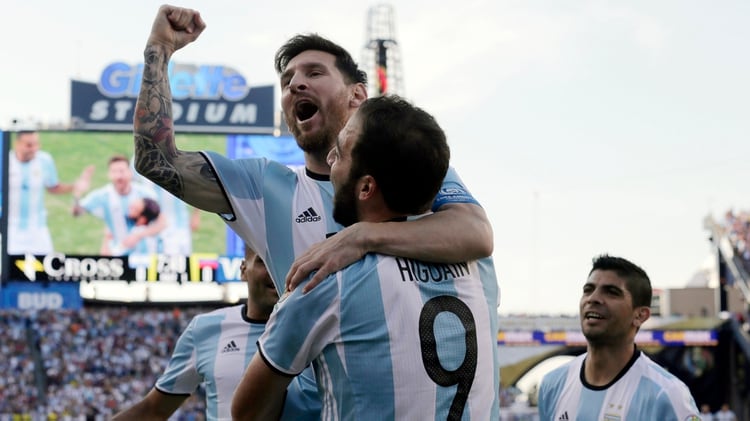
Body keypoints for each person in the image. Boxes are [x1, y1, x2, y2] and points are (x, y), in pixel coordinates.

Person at [133, 5, 493, 297]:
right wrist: (159, 50)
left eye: (315, 73)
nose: (296, 84)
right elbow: (157, 161)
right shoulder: (263, 187)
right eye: (287, 81)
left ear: (357, 94)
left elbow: (476, 233)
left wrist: (361, 237)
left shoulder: (405, 160)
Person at [230, 95, 500, 420]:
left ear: (366, 188)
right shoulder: (480, 266)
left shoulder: (324, 281)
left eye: (341, 152)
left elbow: (247, 412)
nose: (330, 157)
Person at [112, 244, 319, 420]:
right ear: (243, 270)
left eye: (286, 261)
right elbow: (154, 410)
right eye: (264, 261)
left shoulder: (321, 327)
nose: (276, 270)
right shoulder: (205, 329)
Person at [538, 254, 700, 420]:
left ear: (640, 315)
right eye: (588, 290)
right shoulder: (553, 384)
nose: (593, 298)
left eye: (611, 292)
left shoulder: (667, 395)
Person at [7, 130, 94, 255]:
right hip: (11, 229)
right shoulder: (5, 161)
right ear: (17, 144)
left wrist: (75, 186)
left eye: (36, 144)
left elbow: (53, 187)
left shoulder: (44, 160)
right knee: (11, 271)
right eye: (29, 145)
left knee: (44, 269)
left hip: (38, 230)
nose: (34, 149)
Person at [72, 155, 165, 255]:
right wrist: (77, 194)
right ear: (109, 174)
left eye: (121, 171)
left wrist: (139, 235)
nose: (118, 176)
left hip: (149, 255)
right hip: (121, 256)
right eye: (114, 172)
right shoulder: (102, 196)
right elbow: (77, 212)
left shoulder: (145, 193)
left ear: (130, 172)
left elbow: (162, 223)